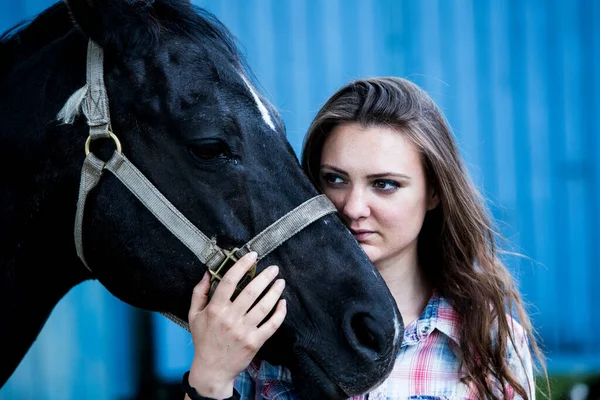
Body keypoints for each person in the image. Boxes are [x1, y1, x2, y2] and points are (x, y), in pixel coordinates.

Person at [182, 77, 547, 400]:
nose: (353, 207)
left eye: (384, 184)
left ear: (434, 192)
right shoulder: (260, 326)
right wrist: (210, 376)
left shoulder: (488, 339)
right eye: (335, 179)